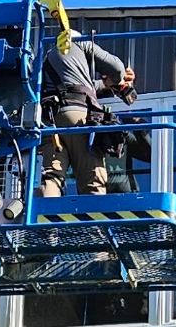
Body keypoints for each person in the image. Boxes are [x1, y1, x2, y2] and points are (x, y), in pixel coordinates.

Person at [39, 13, 135, 196]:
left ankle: (45, 209)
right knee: (92, 179)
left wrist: (107, 84)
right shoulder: (80, 43)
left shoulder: (46, 61)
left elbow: (83, 86)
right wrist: (121, 78)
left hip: (51, 123)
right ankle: (93, 214)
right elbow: (116, 68)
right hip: (78, 118)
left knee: (52, 176)